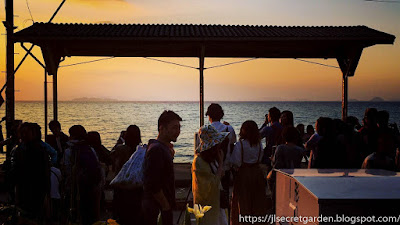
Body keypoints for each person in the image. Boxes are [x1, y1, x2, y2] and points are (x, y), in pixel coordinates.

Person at [142, 110, 182, 225]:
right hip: (157, 208)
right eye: (174, 128)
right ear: (162, 128)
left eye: (179, 128)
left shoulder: (159, 147)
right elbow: (153, 183)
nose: (178, 132)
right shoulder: (157, 150)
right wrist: (165, 205)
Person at [230, 121, 271, 225]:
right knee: (257, 201)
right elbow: (260, 157)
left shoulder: (240, 145)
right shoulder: (258, 144)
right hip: (257, 173)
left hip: (244, 174)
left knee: (243, 202)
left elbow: (236, 162)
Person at [10, 122, 51, 223]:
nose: (24, 135)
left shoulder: (38, 150)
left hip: (34, 190)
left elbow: (43, 173)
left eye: (26, 133)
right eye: (22, 133)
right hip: (24, 189)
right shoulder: (21, 149)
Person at [62, 125, 102, 225]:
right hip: (90, 187)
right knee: (88, 214)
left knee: (74, 212)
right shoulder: (90, 149)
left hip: (74, 188)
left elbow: (67, 170)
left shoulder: (69, 150)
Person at [192, 125, 228, 225]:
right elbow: (210, 185)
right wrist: (220, 164)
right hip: (207, 207)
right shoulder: (199, 162)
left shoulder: (211, 159)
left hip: (217, 204)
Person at [205, 103, 236, 212]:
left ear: (209, 116)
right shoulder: (229, 128)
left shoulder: (205, 130)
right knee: (224, 197)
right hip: (225, 168)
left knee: (210, 198)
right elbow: (232, 145)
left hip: (210, 169)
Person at [110, 125, 143, 225]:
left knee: (121, 218)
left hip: (121, 189)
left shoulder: (120, 149)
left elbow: (111, 154)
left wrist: (120, 140)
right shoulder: (140, 151)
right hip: (137, 190)